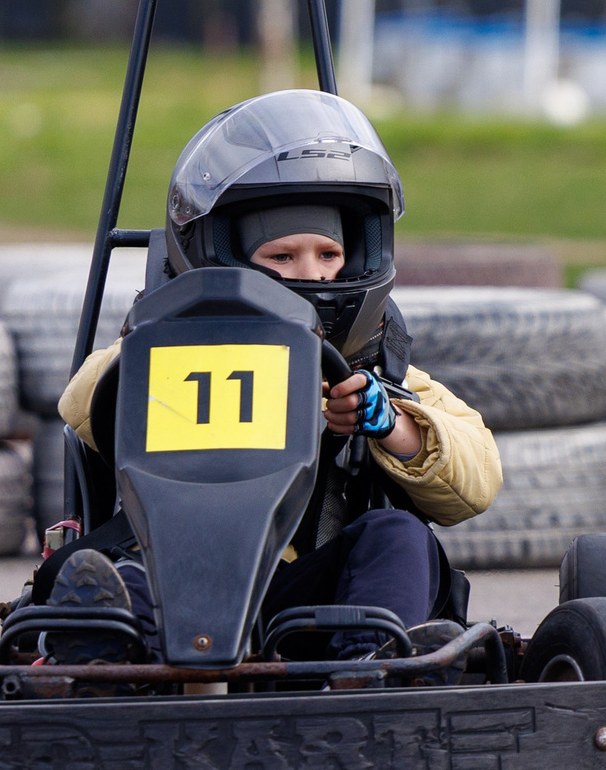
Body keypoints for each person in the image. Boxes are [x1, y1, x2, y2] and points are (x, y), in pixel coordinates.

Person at [43, 90, 501, 658]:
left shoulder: (377, 370)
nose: (312, 275)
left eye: (328, 255)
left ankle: (371, 665)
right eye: (282, 258)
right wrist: (183, 342)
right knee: (121, 574)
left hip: (320, 606)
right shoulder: (166, 350)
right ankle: (109, 654)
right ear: (227, 262)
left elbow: (478, 479)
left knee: (400, 537)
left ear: (357, 256)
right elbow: (82, 403)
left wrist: (389, 423)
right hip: (183, 586)